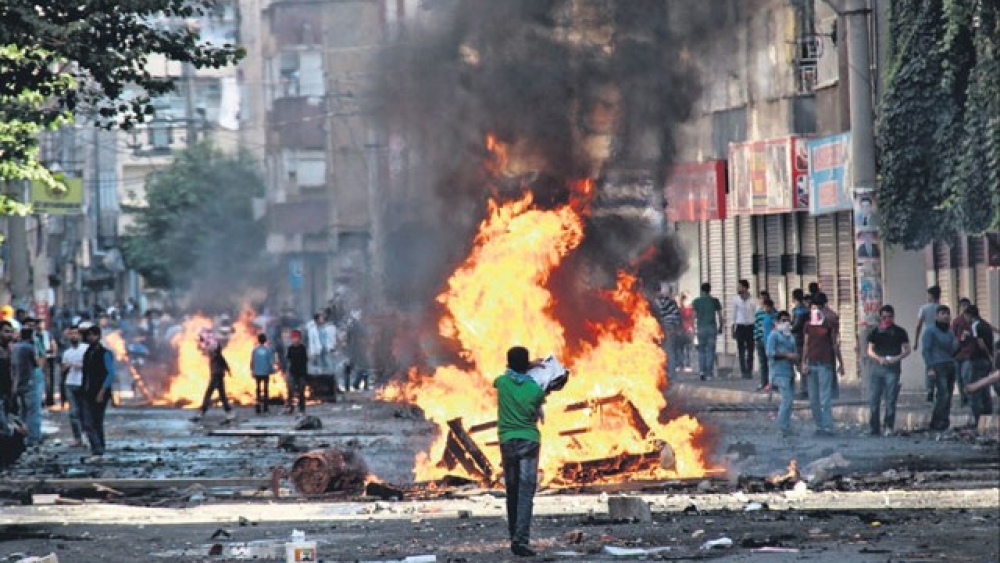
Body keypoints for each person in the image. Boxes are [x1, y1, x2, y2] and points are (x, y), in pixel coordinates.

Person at [494, 346, 545, 557]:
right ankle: (521, 540)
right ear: (526, 366)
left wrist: (524, 366)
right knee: (526, 492)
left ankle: (513, 535)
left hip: (507, 442)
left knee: (512, 490)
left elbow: (507, 375)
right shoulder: (535, 389)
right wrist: (533, 366)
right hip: (529, 443)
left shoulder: (501, 383)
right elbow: (537, 405)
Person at [865, 305, 911, 436]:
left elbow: (907, 350)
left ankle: (888, 426)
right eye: (884, 317)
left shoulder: (900, 332)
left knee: (890, 399)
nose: (887, 319)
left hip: (892, 369)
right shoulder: (875, 332)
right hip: (876, 369)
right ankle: (874, 427)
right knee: (874, 399)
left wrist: (897, 358)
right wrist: (879, 358)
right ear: (880, 317)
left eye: (889, 317)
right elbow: (869, 350)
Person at [801, 293, 843, 437]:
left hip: (825, 363)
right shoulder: (808, 325)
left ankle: (827, 427)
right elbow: (806, 344)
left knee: (825, 398)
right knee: (813, 399)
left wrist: (840, 362)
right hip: (812, 363)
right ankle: (819, 426)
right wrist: (803, 362)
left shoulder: (829, 323)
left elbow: (834, 344)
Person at [80, 325, 116, 460]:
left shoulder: (105, 353)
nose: (90, 338)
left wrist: (102, 391)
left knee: (94, 422)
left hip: (99, 392)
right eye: (88, 335)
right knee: (90, 422)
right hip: (87, 391)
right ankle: (98, 449)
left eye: (92, 335)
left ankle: (98, 450)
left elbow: (111, 373)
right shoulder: (88, 352)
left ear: (98, 336)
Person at [921, 305, 958, 431]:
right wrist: (929, 368)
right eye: (943, 313)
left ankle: (944, 421)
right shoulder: (930, 331)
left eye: (948, 313)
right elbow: (926, 350)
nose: (946, 316)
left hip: (950, 364)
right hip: (938, 365)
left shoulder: (950, 332)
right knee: (943, 394)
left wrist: (959, 342)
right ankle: (936, 422)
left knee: (949, 394)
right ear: (937, 316)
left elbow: (953, 350)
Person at [962, 304, 995, 429]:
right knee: (985, 389)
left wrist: (987, 355)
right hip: (986, 361)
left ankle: (978, 419)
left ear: (969, 315)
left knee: (976, 391)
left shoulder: (975, 326)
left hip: (978, 359)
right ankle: (987, 417)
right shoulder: (986, 325)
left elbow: (980, 343)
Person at [767, 311, 798, 437]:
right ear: (778, 322)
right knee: (787, 400)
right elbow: (770, 353)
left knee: (790, 401)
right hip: (778, 373)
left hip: (789, 372)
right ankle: (782, 427)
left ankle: (787, 426)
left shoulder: (790, 337)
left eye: (788, 321)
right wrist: (786, 355)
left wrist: (796, 360)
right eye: (783, 320)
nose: (786, 323)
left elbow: (794, 353)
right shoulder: (774, 336)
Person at [11, 327, 42, 447]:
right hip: (29, 383)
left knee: (22, 412)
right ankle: (32, 439)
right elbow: (36, 364)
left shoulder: (15, 347)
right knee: (33, 412)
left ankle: (22, 439)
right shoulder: (29, 348)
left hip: (17, 384)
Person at [192, 344, 234, 423]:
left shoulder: (217, 357)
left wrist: (227, 372)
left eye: (212, 351)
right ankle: (229, 413)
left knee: (208, 395)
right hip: (218, 378)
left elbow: (225, 366)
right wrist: (228, 372)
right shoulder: (219, 357)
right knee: (222, 396)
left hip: (216, 378)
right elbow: (226, 366)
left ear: (215, 351)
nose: (210, 352)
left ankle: (201, 413)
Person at [61, 325, 88, 447]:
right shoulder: (67, 353)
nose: (74, 336)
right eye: (71, 334)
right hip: (70, 383)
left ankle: (86, 436)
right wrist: (65, 368)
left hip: (83, 383)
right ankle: (77, 438)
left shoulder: (86, 349)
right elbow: (62, 369)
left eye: (76, 333)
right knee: (73, 413)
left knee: (85, 412)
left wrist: (80, 366)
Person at [914, 286, 942, 402]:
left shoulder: (924, 308)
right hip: (940, 338)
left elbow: (919, 325)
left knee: (929, 364)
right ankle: (939, 387)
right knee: (940, 362)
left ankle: (930, 389)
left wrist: (915, 341)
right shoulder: (942, 308)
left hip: (927, 338)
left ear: (931, 296)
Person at [691, 283, 723, 381]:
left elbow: (693, 316)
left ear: (701, 290)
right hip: (711, 328)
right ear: (710, 290)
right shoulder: (714, 301)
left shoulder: (696, 301)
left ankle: (702, 372)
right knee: (710, 351)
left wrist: (693, 328)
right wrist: (720, 326)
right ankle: (709, 373)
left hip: (701, 328)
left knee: (701, 351)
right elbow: (720, 316)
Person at [654, 283, 682, 381]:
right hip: (672, 327)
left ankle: (668, 374)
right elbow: (678, 315)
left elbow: (657, 317)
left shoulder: (656, 302)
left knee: (665, 351)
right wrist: (678, 328)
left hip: (664, 327)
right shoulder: (670, 301)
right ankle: (670, 374)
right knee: (670, 351)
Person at [731, 279, 757, 379]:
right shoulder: (736, 299)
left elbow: (756, 314)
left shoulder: (753, 300)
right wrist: (733, 327)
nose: (738, 289)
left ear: (745, 288)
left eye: (740, 287)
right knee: (741, 350)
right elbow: (734, 315)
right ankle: (743, 371)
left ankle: (749, 370)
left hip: (750, 326)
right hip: (740, 326)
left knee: (750, 350)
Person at [951, 298, 975, 406]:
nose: (965, 307)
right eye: (963, 305)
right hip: (957, 354)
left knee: (966, 376)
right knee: (958, 378)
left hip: (968, 353)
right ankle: (963, 398)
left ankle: (969, 398)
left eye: (967, 305)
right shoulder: (957, 321)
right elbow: (952, 336)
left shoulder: (973, 321)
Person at [790, 289, 811, 399]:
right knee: (803, 364)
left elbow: (796, 326)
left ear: (794, 298)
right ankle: (805, 388)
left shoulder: (799, 311)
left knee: (800, 364)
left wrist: (789, 329)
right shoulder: (807, 310)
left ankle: (804, 389)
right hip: (805, 339)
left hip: (799, 340)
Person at [753, 297, 777, 391]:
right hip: (762, 341)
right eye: (764, 307)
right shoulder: (763, 315)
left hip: (771, 343)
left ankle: (772, 383)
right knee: (763, 364)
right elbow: (758, 327)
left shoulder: (774, 316)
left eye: (767, 307)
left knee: (772, 364)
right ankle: (764, 382)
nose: (766, 309)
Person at [250, 333, 277, 414]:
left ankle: (258, 407)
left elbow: (252, 361)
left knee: (258, 389)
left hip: (257, 372)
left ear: (258, 340)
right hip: (265, 372)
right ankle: (265, 408)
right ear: (265, 340)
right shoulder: (268, 350)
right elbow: (270, 362)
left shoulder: (255, 350)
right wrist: (273, 371)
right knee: (265, 390)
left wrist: (252, 370)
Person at [286, 330, 309, 414]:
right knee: (290, 391)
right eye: (294, 338)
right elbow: (288, 360)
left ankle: (301, 408)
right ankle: (290, 407)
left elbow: (305, 360)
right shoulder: (290, 348)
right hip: (293, 372)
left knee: (301, 392)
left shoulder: (303, 348)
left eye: (297, 338)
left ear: (299, 339)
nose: (295, 340)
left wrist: (305, 373)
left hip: (301, 373)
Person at [678, 292, 694, 372]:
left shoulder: (679, 310)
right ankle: (688, 365)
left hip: (681, 330)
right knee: (688, 349)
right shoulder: (691, 309)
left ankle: (681, 365)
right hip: (689, 330)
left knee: (681, 348)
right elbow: (693, 319)